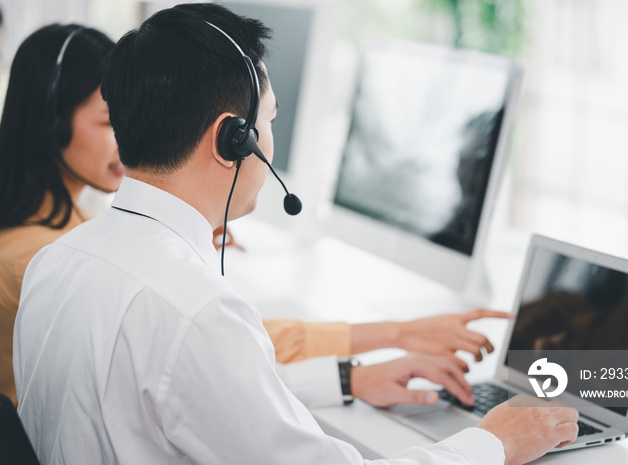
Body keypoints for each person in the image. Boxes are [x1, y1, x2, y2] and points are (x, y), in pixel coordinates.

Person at [15, 4, 578, 464]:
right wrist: (494, 443)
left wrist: (349, 378)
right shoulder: (194, 309)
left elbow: (198, 394)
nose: (272, 139)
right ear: (232, 141)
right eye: (270, 122)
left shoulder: (58, 259)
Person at [0, 24, 119, 406]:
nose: (131, 138)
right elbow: (173, 340)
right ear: (53, 126)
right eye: (109, 121)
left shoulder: (67, 217)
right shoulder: (39, 257)